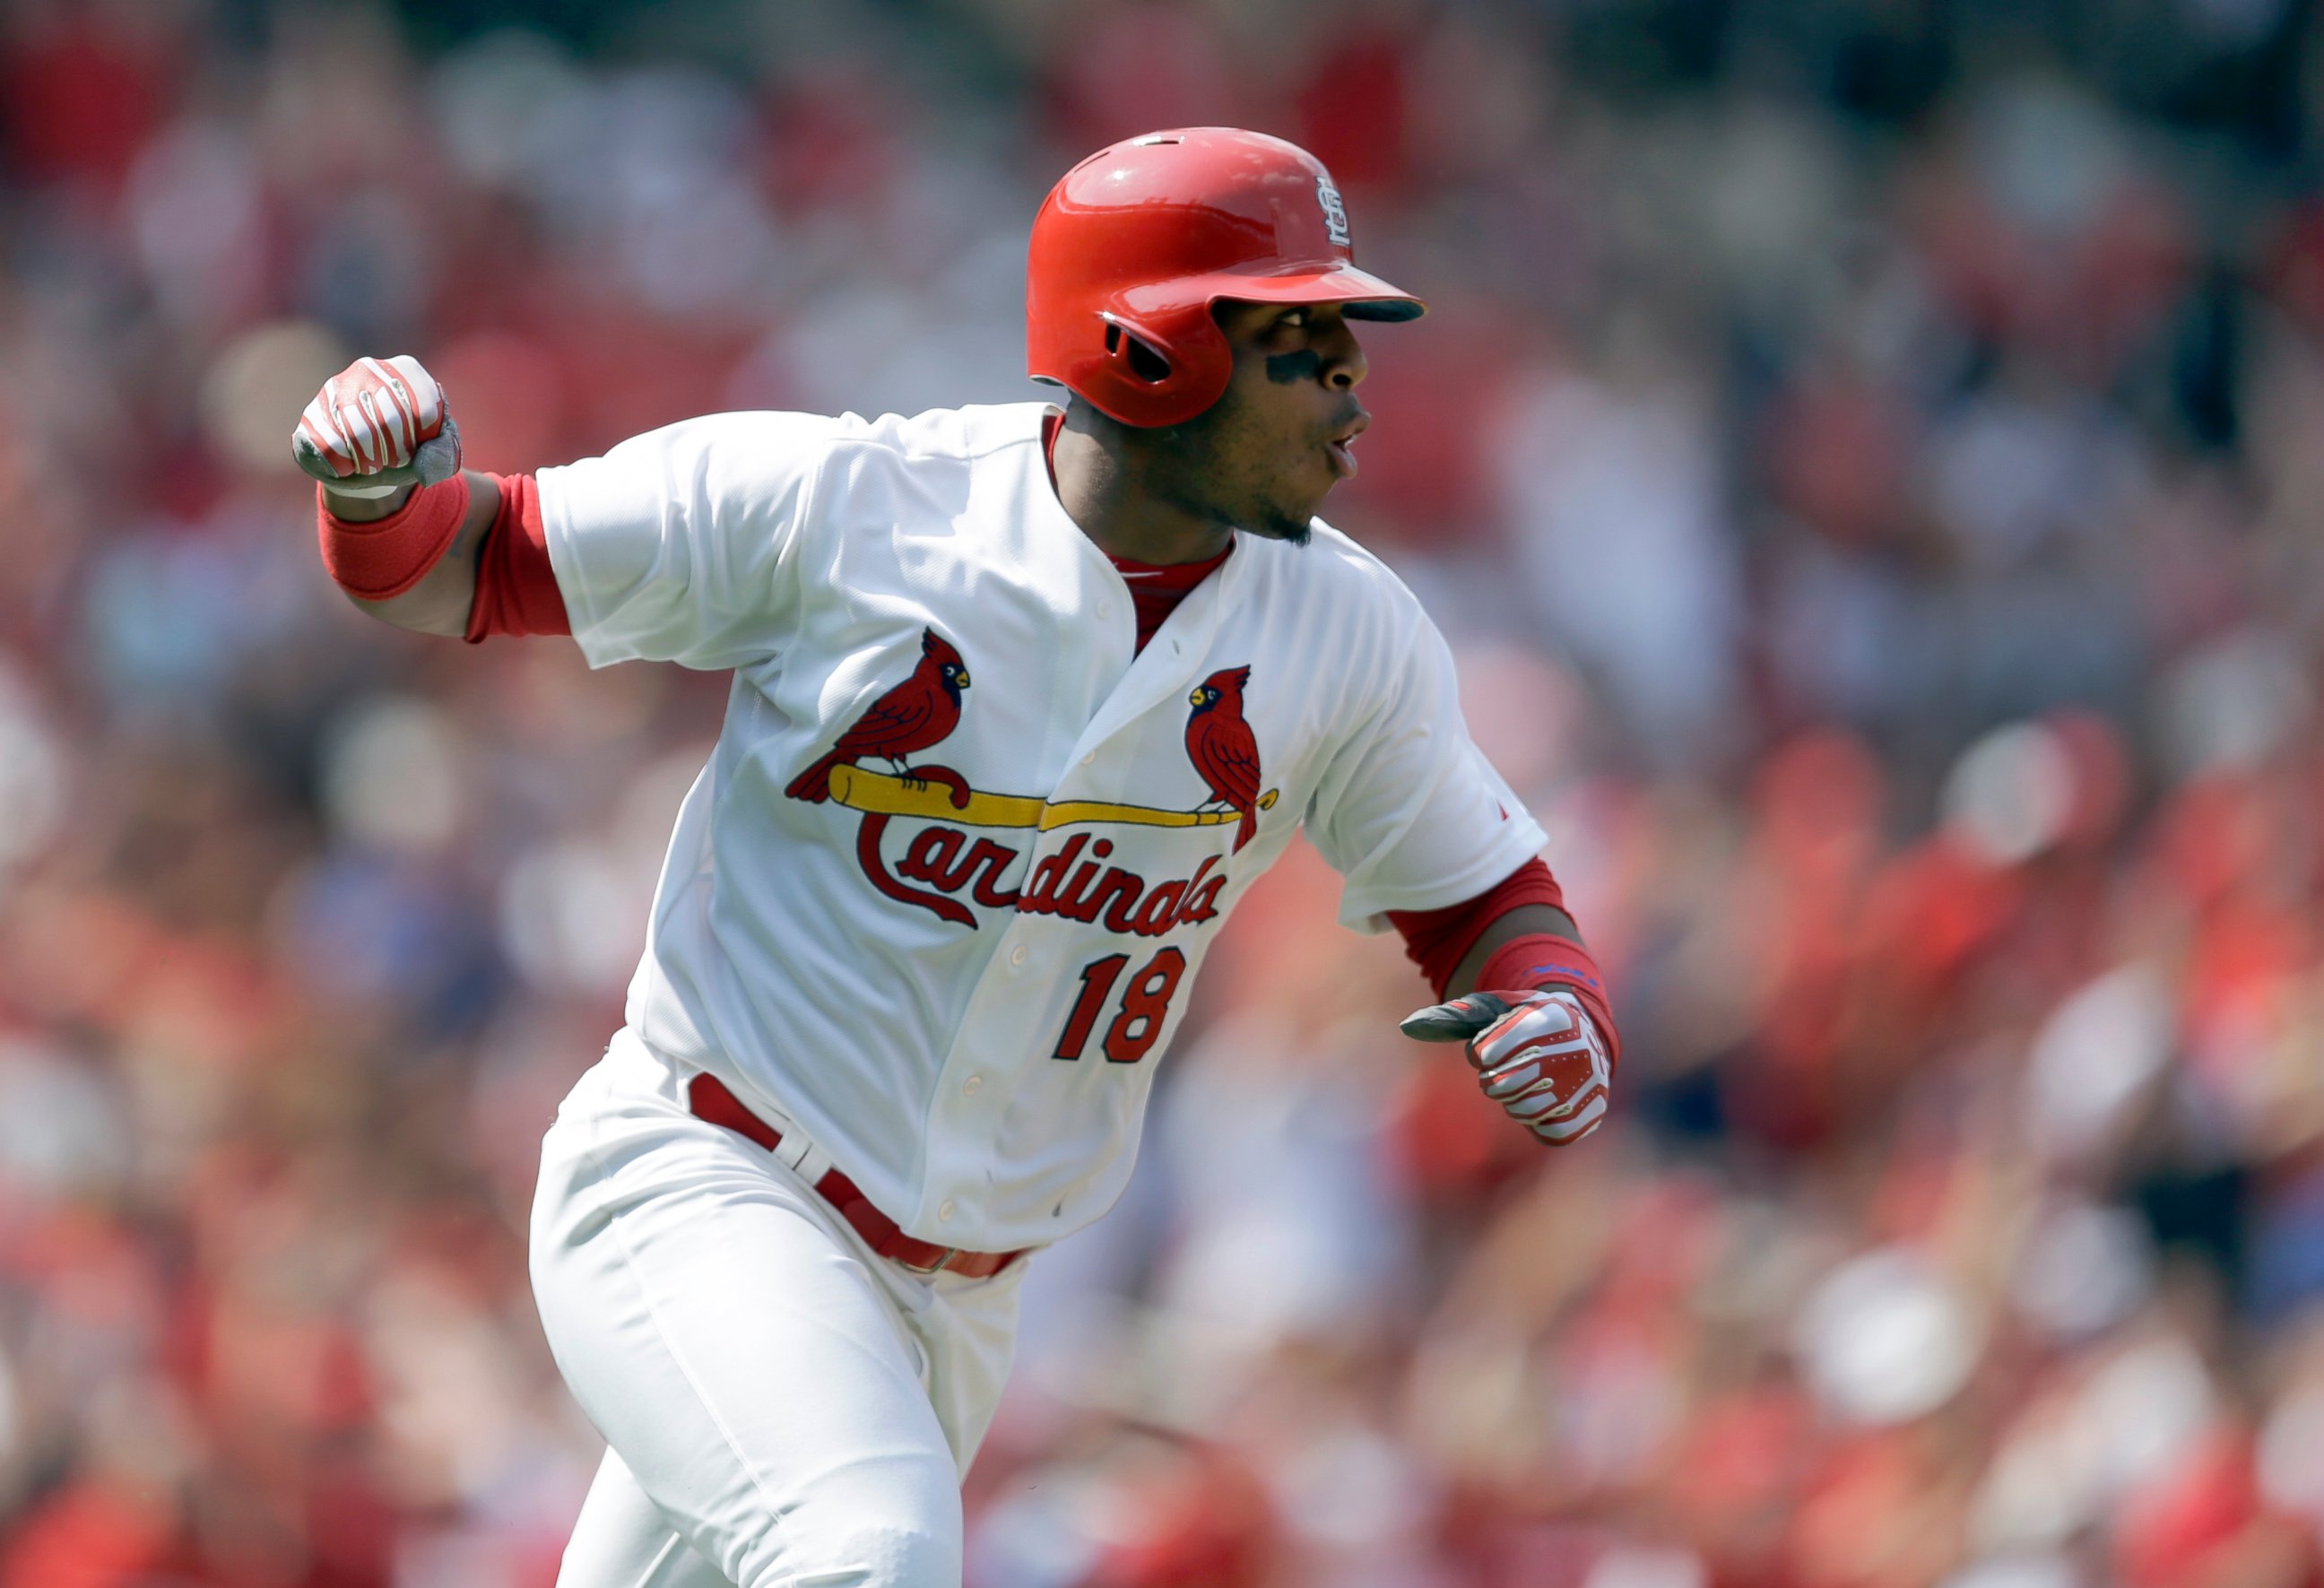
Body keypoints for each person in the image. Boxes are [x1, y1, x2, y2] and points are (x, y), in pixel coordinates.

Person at [292, 127, 1620, 1588]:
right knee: (870, 1556)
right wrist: (376, 494)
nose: (1355, 382)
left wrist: (1553, 1002)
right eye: (1301, 336)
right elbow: (463, 561)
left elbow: (1486, 901)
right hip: (715, 1183)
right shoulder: (854, 509)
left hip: (967, 1303)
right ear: (1150, 349)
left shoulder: (1346, 632)